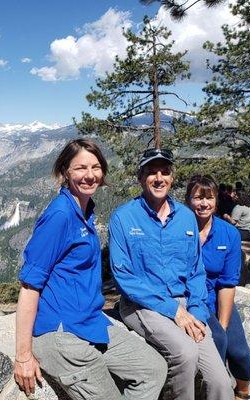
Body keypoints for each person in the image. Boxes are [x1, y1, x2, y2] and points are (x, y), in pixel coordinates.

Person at [14, 139, 167, 400]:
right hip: (60, 333)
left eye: (96, 167)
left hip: (90, 321)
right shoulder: (60, 215)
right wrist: (23, 356)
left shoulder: (85, 210)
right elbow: (29, 286)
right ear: (65, 172)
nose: (90, 175)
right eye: (80, 168)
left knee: (153, 369)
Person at [109, 148, 232, 400]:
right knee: (184, 352)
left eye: (164, 172)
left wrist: (196, 312)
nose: (158, 177)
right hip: (142, 304)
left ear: (172, 178)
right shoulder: (123, 218)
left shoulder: (186, 218)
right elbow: (124, 277)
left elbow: (197, 271)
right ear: (140, 178)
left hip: (186, 305)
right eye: (151, 172)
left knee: (220, 381)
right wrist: (174, 311)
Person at [185, 175, 250, 400]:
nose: (204, 204)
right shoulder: (178, 229)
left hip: (217, 296)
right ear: (188, 200)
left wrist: (224, 324)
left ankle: (242, 391)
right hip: (191, 298)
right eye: (198, 198)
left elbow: (227, 282)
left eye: (209, 198)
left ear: (216, 200)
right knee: (218, 341)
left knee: (240, 353)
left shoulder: (228, 233)